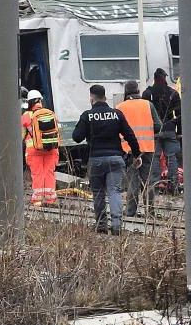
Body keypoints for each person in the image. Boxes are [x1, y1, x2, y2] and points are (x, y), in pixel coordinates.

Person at [72, 84, 141, 235]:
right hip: (116, 159)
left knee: (98, 193)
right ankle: (116, 226)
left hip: (96, 159)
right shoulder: (117, 114)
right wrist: (137, 154)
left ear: (92, 97)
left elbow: (76, 137)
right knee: (114, 192)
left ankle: (101, 226)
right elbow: (130, 135)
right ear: (105, 97)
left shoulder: (87, 115)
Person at [117, 81, 162, 217]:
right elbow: (158, 126)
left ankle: (130, 211)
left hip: (128, 149)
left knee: (132, 181)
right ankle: (151, 212)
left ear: (126, 92)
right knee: (148, 181)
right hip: (147, 148)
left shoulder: (120, 107)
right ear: (138, 91)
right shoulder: (148, 105)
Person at [143, 68, 182, 193]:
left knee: (154, 157)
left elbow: (145, 113)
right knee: (172, 158)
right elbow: (180, 114)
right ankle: (174, 186)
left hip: (153, 131)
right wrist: (178, 130)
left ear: (154, 78)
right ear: (165, 78)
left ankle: (154, 186)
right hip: (170, 129)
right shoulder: (173, 93)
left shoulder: (147, 93)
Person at [21, 90, 61, 207]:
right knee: (49, 173)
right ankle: (50, 199)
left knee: (37, 174)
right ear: (40, 101)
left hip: (34, 150)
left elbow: (21, 135)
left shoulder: (26, 116)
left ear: (29, 102)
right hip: (51, 149)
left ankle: (37, 201)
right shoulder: (50, 113)